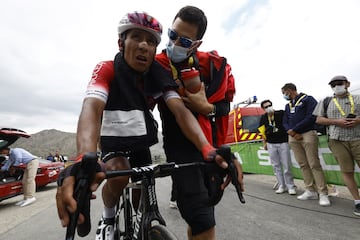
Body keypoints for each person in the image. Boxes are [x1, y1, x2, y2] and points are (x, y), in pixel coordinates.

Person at [55, 11, 235, 240]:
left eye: (151, 41)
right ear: (121, 43)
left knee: (143, 192)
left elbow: (180, 111)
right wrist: (83, 156)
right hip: (112, 140)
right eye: (137, 38)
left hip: (139, 141)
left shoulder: (158, 74)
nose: (144, 46)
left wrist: (206, 148)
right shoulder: (107, 68)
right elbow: (91, 108)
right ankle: (109, 216)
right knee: (119, 175)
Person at [156, 6, 242, 240]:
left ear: (196, 44)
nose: (174, 43)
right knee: (202, 218)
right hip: (178, 145)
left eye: (183, 40)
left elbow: (224, 107)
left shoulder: (211, 65)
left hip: (211, 147)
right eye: (172, 35)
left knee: (203, 214)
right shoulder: (157, 63)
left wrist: (206, 108)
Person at [313, 75, 360, 216]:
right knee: (347, 171)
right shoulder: (326, 101)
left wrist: (358, 120)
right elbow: (319, 119)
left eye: (339, 83)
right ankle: (357, 201)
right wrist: (336, 121)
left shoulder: (358, 98)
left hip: (358, 138)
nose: (336, 86)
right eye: (333, 85)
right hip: (337, 140)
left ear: (347, 84)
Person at [281, 83, 330, 206]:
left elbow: (311, 117)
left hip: (307, 133)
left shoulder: (308, 99)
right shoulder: (288, 105)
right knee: (303, 164)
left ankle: (323, 193)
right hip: (293, 136)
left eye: (284, 93)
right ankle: (310, 190)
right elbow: (285, 121)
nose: (284, 95)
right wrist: (290, 131)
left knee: (314, 164)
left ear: (290, 90)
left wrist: (295, 129)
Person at [258, 99, 296, 195]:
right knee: (276, 166)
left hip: (283, 142)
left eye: (269, 105)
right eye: (266, 107)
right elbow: (262, 131)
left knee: (286, 165)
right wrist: (264, 143)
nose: (268, 107)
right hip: (271, 143)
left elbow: (288, 122)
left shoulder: (280, 113)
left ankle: (290, 186)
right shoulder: (263, 118)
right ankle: (281, 185)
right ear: (263, 109)